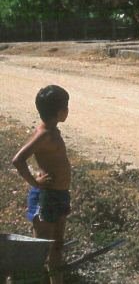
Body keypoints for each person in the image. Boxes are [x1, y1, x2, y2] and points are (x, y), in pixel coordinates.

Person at [12, 84, 72, 284]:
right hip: (47, 197)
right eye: (66, 106)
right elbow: (18, 160)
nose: (68, 110)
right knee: (41, 249)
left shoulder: (54, 131)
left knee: (57, 246)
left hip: (60, 194)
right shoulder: (44, 134)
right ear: (58, 111)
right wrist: (35, 182)